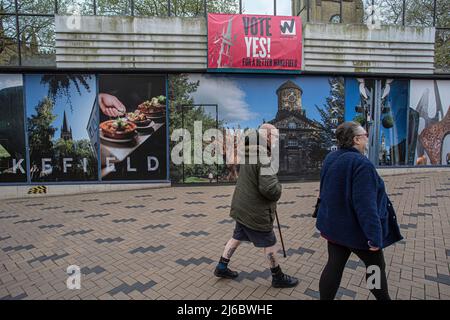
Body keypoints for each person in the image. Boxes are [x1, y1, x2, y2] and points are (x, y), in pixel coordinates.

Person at [316, 121, 403, 300]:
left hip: (334, 228)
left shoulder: (330, 157)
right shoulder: (361, 164)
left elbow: (323, 190)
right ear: (356, 139)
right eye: (365, 136)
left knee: (334, 265)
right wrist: (374, 237)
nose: (367, 139)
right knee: (375, 269)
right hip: (358, 232)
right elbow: (366, 205)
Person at [213, 123, 298, 288]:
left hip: (242, 206)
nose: (275, 139)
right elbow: (269, 188)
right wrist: (278, 188)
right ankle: (277, 276)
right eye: (274, 135)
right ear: (266, 136)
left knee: (237, 237)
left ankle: (221, 267)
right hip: (255, 211)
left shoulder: (250, 152)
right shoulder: (263, 156)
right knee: (270, 242)